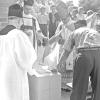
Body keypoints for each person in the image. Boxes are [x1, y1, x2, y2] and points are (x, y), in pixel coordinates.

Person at [57, 16, 100, 100]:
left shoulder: (75, 32)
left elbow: (66, 51)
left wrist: (60, 63)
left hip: (84, 55)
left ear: (77, 25)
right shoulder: (95, 31)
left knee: (79, 87)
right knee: (98, 86)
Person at [0, 4, 37, 100]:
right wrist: (31, 70)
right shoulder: (18, 35)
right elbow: (26, 58)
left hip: (2, 75)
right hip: (15, 76)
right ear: (19, 20)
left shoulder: (1, 34)